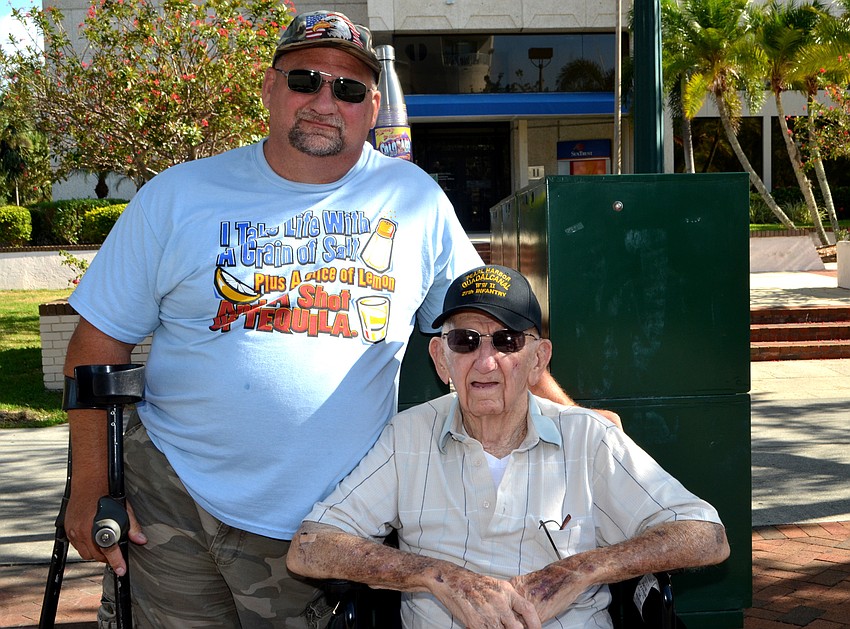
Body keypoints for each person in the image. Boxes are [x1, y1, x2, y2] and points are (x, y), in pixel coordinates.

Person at [61, 10, 589, 628]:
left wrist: (572, 424)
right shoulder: (177, 197)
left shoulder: (414, 200)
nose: (324, 101)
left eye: (348, 89)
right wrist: (90, 483)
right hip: (172, 503)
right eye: (305, 79)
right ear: (269, 88)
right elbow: (96, 344)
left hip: (326, 524)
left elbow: (487, 334)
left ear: (371, 108)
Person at [286, 264, 731, 629]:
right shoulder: (408, 436)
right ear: (441, 359)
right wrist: (440, 577)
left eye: (507, 341)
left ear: (538, 360)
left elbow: (705, 535)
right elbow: (310, 546)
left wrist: (577, 571)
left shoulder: (586, 436)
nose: (485, 361)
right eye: (465, 341)